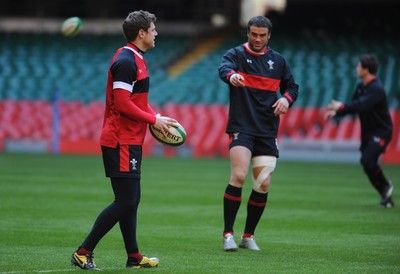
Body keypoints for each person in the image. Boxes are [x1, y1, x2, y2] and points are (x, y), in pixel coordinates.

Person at [71, 10, 178, 270]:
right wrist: (154, 121)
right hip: (120, 140)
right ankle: (83, 252)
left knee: (131, 200)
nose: (156, 33)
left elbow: (136, 101)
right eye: (153, 29)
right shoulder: (127, 61)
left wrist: (156, 116)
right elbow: (122, 104)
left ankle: (134, 257)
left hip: (130, 139)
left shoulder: (137, 58)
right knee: (126, 201)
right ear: (141, 33)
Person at [218, 16, 299, 251]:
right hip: (241, 126)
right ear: (248, 33)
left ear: (268, 36)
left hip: (266, 130)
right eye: (254, 34)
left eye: (262, 35)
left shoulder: (278, 61)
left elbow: (292, 87)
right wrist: (231, 76)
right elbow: (223, 68)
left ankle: (248, 236)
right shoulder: (235, 54)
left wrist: (286, 99)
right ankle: (227, 235)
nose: (257, 39)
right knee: (240, 175)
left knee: (262, 185)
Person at [325, 54, 394, 208]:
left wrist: (341, 107)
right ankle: (386, 196)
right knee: (367, 164)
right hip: (368, 133)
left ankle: (386, 186)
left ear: (366, 69)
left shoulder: (376, 89)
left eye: (359, 66)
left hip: (382, 132)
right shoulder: (361, 87)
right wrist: (336, 113)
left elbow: (361, 106)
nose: (357, 68)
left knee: (367, 161)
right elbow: (354, 105)